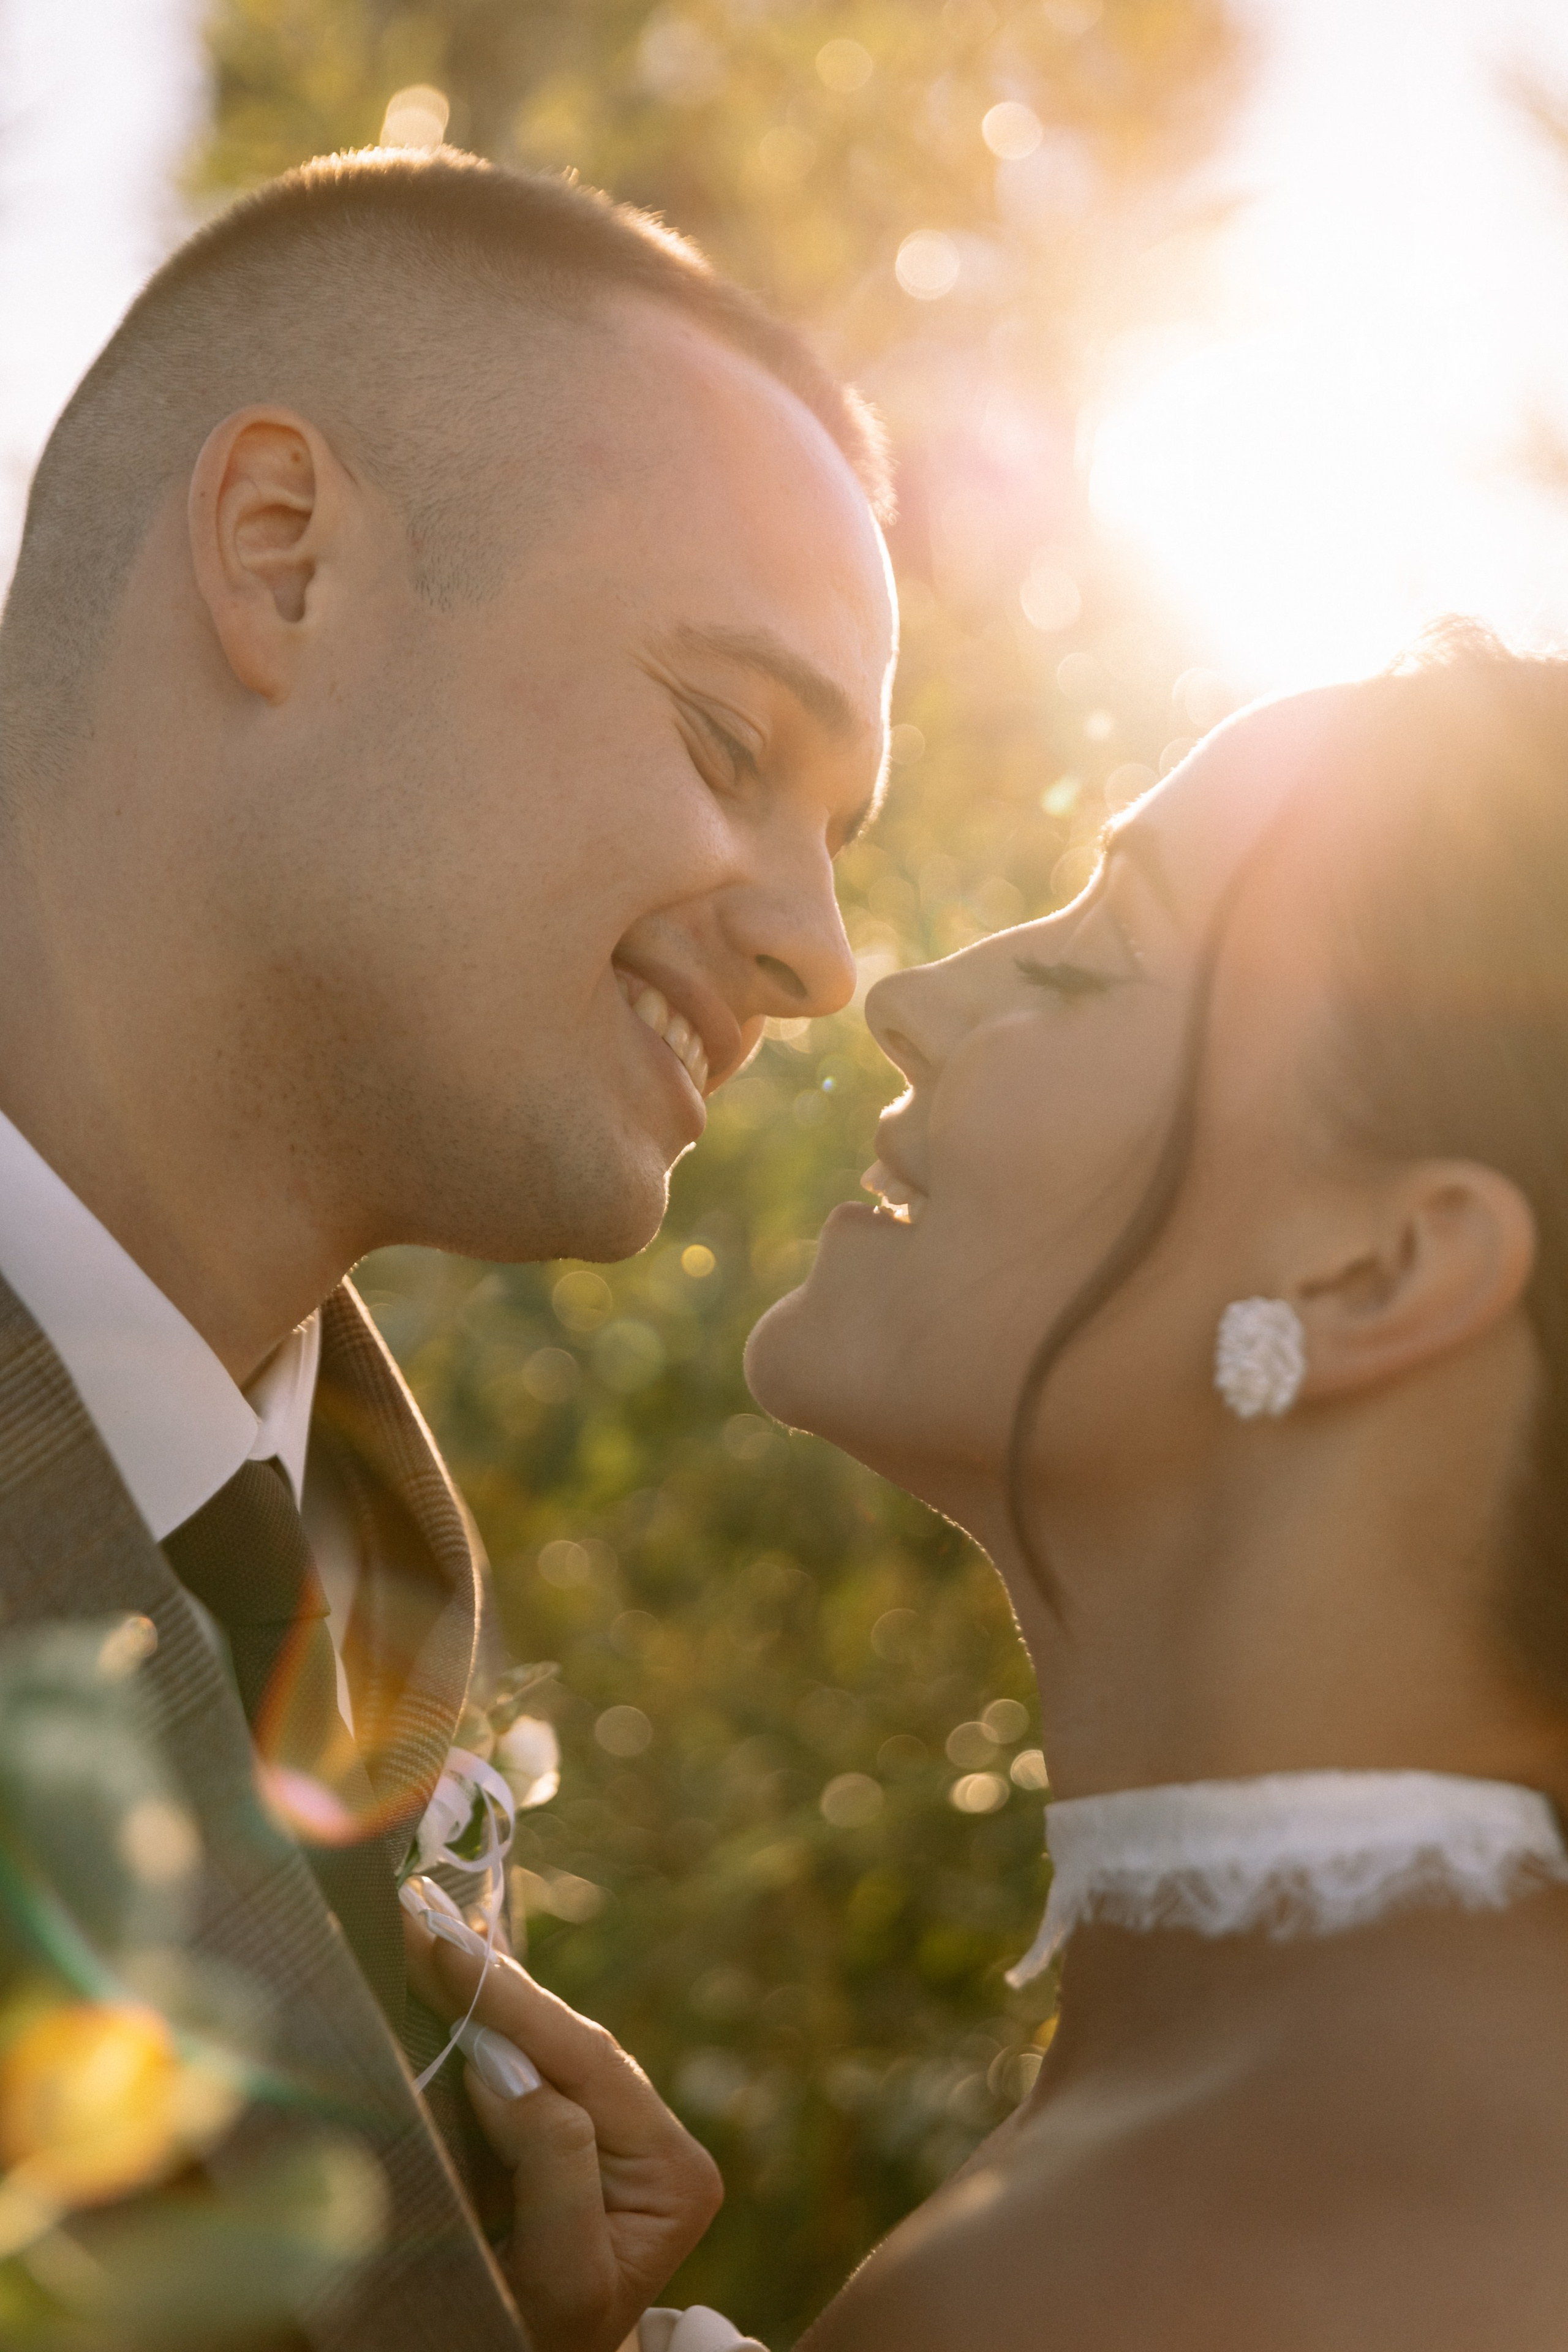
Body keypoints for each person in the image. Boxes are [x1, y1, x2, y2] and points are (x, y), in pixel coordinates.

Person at [0, 146, 894, 2351]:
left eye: (842, 839)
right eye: (727, 739)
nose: (825, 955)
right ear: (283, 558)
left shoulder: (363, 1622)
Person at [741, 628, 1568, 2348]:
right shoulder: (1286, 2131)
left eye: (1087, 964)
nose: (906, 999)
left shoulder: (1199, 2267)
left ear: (1375, 1274)